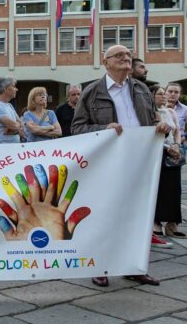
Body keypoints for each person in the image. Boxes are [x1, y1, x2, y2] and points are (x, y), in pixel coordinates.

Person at [71, 44, 171, 288]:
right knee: (104, 215)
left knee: (138, 216)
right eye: (119, 56)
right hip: (107, 163)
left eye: (128, 55)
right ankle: (100, 266)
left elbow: (150, 121)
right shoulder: (92, 91)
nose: (126, 58)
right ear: (105, 62)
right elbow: (77, 128)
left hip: (139, 161)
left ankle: (134, 266)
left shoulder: (141, 89)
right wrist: (103, 129)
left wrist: (160, 128)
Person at [151, 85, 184, 240]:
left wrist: (176, 144)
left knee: (174, 188)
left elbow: (177, 131)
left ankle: (172, 224)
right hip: (156, 152)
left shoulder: (170, 112)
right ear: (152, 96)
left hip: (172, 152)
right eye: (159, 94)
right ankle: (156, 222)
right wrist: (167, 147)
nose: (164, 96)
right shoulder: (150, 112)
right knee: (158, 187)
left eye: (164, 94)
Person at [0, 77, 23, 144]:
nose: (16, 89)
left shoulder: (9, 105)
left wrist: (13, 128)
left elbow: (21, 123)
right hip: (2, 149)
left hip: (12, 147)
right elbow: (14, 125)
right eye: (14, 86)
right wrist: (17, 127)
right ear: (5, 89)